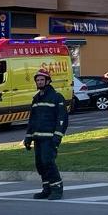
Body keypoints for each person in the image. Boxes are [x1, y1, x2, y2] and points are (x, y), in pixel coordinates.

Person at [23, 67, 68, 199]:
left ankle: (57, 189)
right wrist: (28, 137)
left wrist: (57, 137)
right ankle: (46, 188)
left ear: (48, 81)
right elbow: (32, 120)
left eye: (42, 79)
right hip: (38, 139)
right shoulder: (36, 98)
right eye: (38, 80)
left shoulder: (56, 97)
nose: (40, 82)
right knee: (40, 164)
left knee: (48, 162)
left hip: (49, 139)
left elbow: (62, 119)